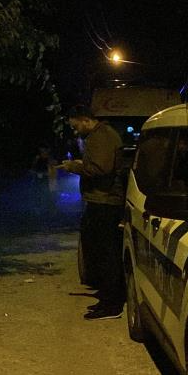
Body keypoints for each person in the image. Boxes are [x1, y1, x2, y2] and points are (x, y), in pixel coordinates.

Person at [58, 105, 126, 320]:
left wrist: (74, 167)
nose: (75, 131)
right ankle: (107, 298)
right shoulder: (100, 136)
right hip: (101, 200)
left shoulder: (101, 136)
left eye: (76, 126)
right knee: (99, 252)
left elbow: (100, 169)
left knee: (105, 253)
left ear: (86, 120)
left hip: (104, 202)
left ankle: (111, 304)